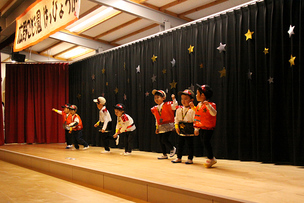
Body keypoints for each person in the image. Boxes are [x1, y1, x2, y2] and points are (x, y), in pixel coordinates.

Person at [191, 84, 217, 168]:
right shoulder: (199, 105)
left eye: (197, 93)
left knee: (206, 141)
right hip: (201, 126)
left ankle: (211, 158)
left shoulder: (211, 104)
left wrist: (208, 106)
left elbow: (214, 113)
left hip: (208, 127)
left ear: (202, 95)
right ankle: (211, 157)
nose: (196, 95)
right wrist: (196, 128)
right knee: (204, 141)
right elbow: (198, 114)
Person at [151, 89, 177, 159]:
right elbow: (156, 118)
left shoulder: (168, 105)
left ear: (163, 98)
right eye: (155, 98)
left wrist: (174, 99)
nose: (156, 99)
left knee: (164, 139)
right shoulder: (155, 108)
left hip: (168, 125)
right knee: (160, 141)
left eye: (158, 97)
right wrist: (157, 127)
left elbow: (175, 106)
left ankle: (172, 148)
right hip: (160, 126)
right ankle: (164, 154)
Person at [172, 89, 196, 164]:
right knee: (180, 144)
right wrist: (176, 126)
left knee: (190, 144)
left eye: (186, 99)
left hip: (189, 128)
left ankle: (190, 158)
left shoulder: (193, 110)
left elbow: (195, 119)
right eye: (182, 99)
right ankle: (179, 157)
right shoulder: (179, 109)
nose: (183, 101)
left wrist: (196, 129)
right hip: (181, 128)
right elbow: (176, 119)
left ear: (191, 100)